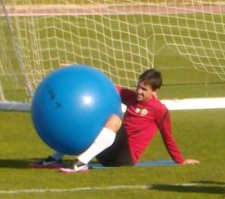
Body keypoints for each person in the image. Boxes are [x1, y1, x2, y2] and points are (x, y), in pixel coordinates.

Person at [30, 68, 199, 173]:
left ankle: (81, 162)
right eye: (138, 86)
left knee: (113, 119)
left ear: (154, 91)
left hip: (125, 157)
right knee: (92, 117)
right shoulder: (131, 97)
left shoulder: (160, 110)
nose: (139, 91)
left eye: (144, 89)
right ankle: (55, 158)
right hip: (107, 151)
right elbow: (106, 87)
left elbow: (167, 136)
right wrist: (76, 69)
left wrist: (180, 160)